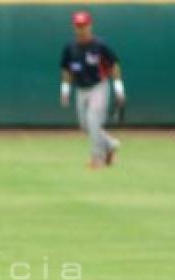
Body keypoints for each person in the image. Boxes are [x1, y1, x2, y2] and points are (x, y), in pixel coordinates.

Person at [59, 10, 125, 168]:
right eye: (78, 26)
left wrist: (118, 89)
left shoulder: (99, 45)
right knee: (84, 125)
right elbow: (66, 69)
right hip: (81, 89)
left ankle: (97, 158)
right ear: (74, 27)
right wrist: (65, 90)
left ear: (90, 26)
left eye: (84, 25)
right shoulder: (70, 48)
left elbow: (114, 65)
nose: (81, 29)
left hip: (98, 87)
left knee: (93, 121)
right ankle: (110, 144)